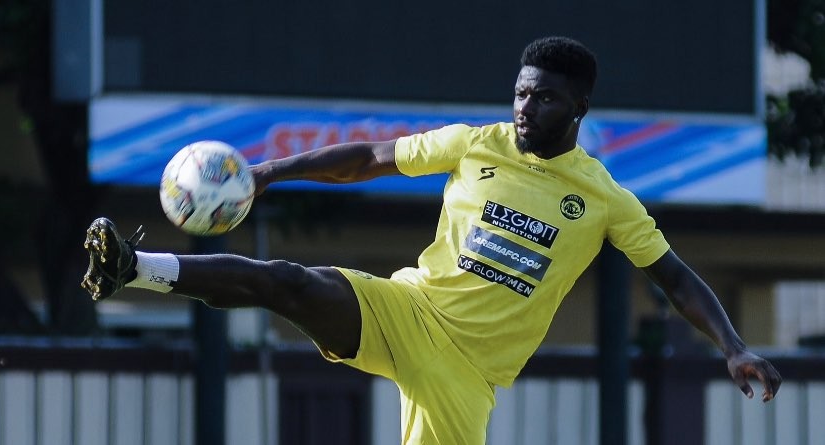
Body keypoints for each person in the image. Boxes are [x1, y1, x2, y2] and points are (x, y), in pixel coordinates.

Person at [81, 36, 781, 444]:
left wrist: (734, 345)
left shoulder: (602, 197)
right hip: (407, 310)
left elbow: (676, 276)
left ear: (580, 108)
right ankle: (132, 267)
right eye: (521, 92)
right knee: (288, 282)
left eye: (543, 97)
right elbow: (366, 157)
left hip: (465, 374)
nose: (525, 106)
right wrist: (266, 171)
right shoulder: (475, 144)